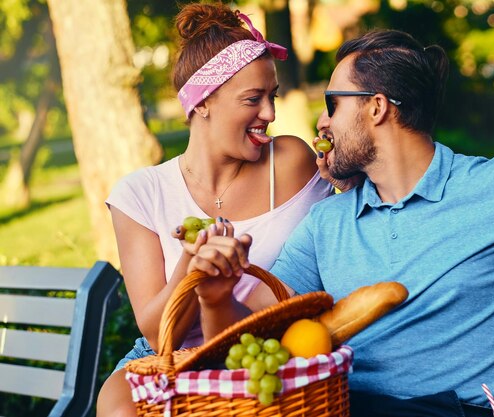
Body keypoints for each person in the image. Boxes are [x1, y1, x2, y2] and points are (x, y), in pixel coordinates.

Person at [185, 28, 494, 417]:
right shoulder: (327, 222)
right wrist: (216, 298)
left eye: (332, 105)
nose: (321, 122)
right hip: (337, 406)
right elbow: (246, 345)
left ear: (376, 107)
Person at [95, 3, 333, 416]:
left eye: (272, 97)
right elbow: (156, 334)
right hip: (172, 359)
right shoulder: (141, 193)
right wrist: (191, 263)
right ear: (202, 102)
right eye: (253, 99)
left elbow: (338, 243)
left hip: (266, 356)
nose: (270, 114)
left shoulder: (290, 162)